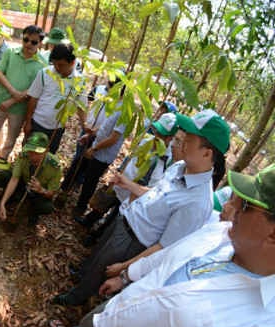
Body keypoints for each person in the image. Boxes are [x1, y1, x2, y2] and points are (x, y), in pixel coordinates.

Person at [37, 164, 275, 327]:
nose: (231, 206)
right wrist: (126, 276)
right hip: (119, 306)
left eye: (245, 205)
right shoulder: (219, 232)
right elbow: (168, 256)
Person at [52, 109, 230, 306]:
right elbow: (155, 194)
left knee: (102, 271)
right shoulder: (178, 168)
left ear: (207, 153)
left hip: (134, 242)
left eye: (189, 140)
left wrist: (126, 267)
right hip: (125, 221)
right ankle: (81, 276)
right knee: (96, 258)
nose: (181, 143)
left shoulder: (198, 202)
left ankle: (74, 298)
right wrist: (128, 184)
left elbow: (164, 247)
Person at [75, 112, 178, 231]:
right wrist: (120, 171)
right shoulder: (146, 140)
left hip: (133, 190)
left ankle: (96, 234)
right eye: (157, 131)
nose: (157, 135)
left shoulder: (163, 157)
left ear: (170, 138)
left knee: (115, 215)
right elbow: (130, 157)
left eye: (161, 134)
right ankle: (88, 221)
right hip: (122, 179)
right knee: (105, 203)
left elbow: (153, 184)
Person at [0, 25, 47, 168]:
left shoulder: (42, 64)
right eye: (26, 40)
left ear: (40, 43)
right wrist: (13, 92)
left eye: (34, 42)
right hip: (1, 101)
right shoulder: (11, 52)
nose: (28, 44)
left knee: (11, 137)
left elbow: (35, 88)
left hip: (20, 108)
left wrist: (13, 100)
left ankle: (1, 161)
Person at [71, 81, 127, 218]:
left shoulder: (124, 111)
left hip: (103, 154)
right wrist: (90, 135)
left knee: (90, 180)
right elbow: (104, 128)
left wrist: (94, 148)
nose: (107, 90)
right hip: (96, 144)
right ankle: (70, 195)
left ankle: (80, 207)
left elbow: (113, 138)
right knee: (78, 166)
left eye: (110, 88)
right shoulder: (112, 104)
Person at [24, 43, 87, 154]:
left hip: (57, 128)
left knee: (47, 157)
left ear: (72, 62)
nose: (57, 68)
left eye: (61, 65)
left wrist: (85, 126)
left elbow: (81, 106)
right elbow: (33, 98)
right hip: (38, 123)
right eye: (54, 64)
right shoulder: (45, 73)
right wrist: (28, 122)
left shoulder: (79, 81)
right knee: (30, 154)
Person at [0, 132, 62, 226]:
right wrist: (2, 203)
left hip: (39, 193)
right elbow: (14, 179)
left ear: (46, 151)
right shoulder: (24, 156)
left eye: (37, 153)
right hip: (23, 183)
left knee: (47, 207)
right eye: (31, 152)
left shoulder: (54, 166)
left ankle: (32, 213)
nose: (32, 156)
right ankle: (12, 200)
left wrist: (41, 190)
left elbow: (51, 193)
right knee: (5, 175)